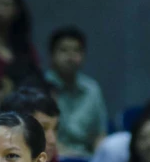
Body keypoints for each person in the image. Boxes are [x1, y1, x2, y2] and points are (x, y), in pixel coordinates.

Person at [45, 26, 107, 155]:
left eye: (76, 51)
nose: (70, 56)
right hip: (52, 157)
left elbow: (100, 134)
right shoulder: (40, 87)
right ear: (52, 55)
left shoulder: (92, 89)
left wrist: (98, 158)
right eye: (64, 50)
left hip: (87, 159)